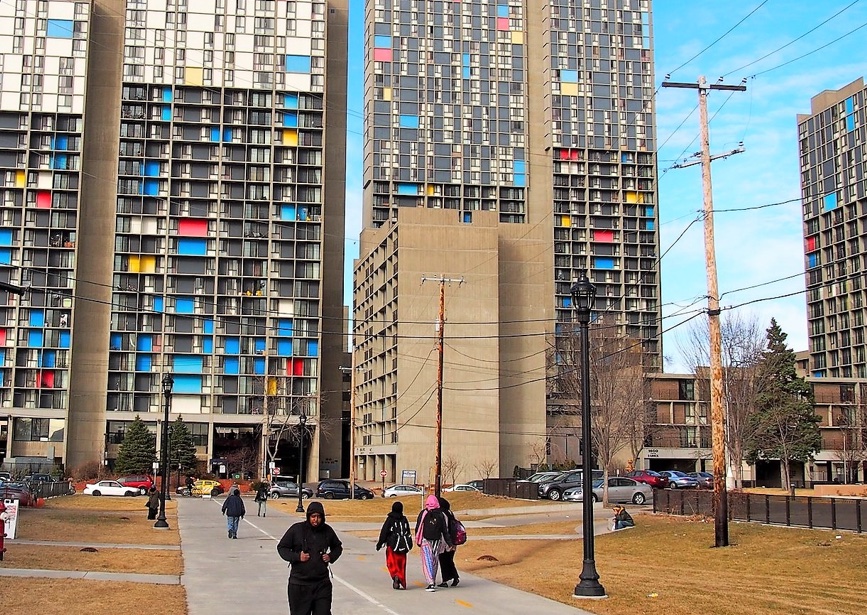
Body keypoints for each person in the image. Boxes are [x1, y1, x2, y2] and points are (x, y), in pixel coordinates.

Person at [277, 501, 343, 615]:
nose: (315, 520)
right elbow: (282, 548)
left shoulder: (327, 531)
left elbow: (338, 547)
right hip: (299, 585)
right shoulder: (296, 529)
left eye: (318, 517)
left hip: (322, 584)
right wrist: (297, 556)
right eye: (313, 516)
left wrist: (331, 556)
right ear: (308, 516)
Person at [415, 494, 453, 592]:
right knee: (434, 560)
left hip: (425, 540)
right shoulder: (441, 514)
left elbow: (418, 526)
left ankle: (430, 582)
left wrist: (417, 539)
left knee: (427, 561)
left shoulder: (423, 513)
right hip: (437, 540)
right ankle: (433, 580)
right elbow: (445, 530)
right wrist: (449, 542)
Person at [375, 500, 413, 590]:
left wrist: (380, 543)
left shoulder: (390, 519)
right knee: (401, 564)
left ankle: (395, 576)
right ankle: (400, 578)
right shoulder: (404, 519)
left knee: (391, 563)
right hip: (403, 545)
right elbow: (408, 532)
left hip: (392, 546)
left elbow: (384, 531)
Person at [437, 496, 460, 588]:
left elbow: (444, 529)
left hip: (446, 541)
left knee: (443, 560)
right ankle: (455, 577)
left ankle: (445, 580)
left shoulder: (442, 514)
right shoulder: (450, 513)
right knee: (449, 560)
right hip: (453, 540)